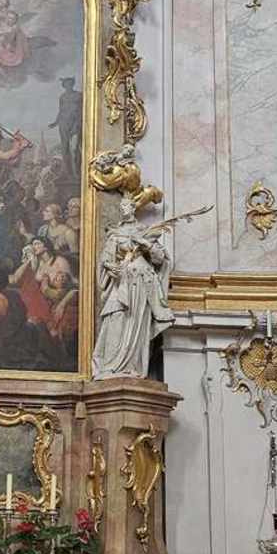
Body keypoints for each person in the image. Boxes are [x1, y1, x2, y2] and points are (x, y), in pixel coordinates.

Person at [91, 196, 175, 379]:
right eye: (121, 206)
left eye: (126, 206)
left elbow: (160, 259)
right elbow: (106, 259)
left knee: (137, 323)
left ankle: (132, 367)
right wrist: (110, 266)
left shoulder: (144, 230)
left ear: (133, 208)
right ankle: (110, 366)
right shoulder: (115, 233)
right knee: (115, 317)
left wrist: (145, 244)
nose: (123, 209)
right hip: (121, 281)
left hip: (141, 282)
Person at [49, 77, 83, 174]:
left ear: (72, 84)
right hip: (63, 123)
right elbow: (61, 111)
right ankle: (68, 172)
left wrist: (77, 124)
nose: (68, 86)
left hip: (75, 123)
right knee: (65, 148)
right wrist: (56, 122)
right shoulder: (62, 97)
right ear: (64, 86)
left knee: (76, 148)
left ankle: (78, 171)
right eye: (66, 84)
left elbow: (81, 110)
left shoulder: (79, 95)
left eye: (70, 83)